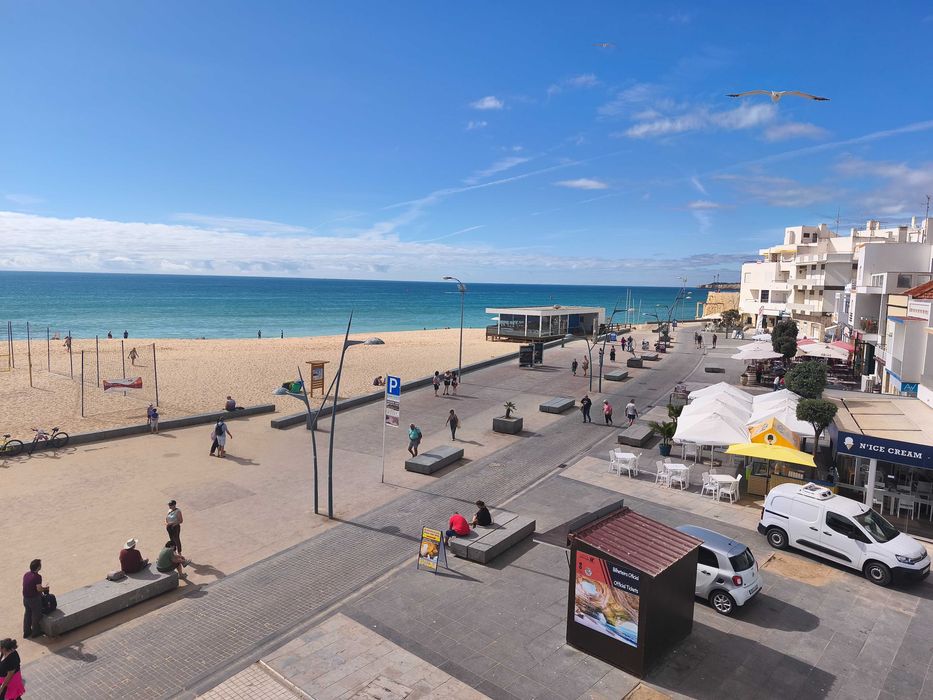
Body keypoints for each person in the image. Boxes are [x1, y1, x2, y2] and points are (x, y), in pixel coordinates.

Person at [22, 559, 48, 639]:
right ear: (38, 568)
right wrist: (45, 589)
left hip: (25, 597)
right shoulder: (37, 577)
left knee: (27, 614)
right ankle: (36, 632)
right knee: (36, 615)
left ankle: (26, 632)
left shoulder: (26, 574)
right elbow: (39, 589)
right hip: (34, 599)